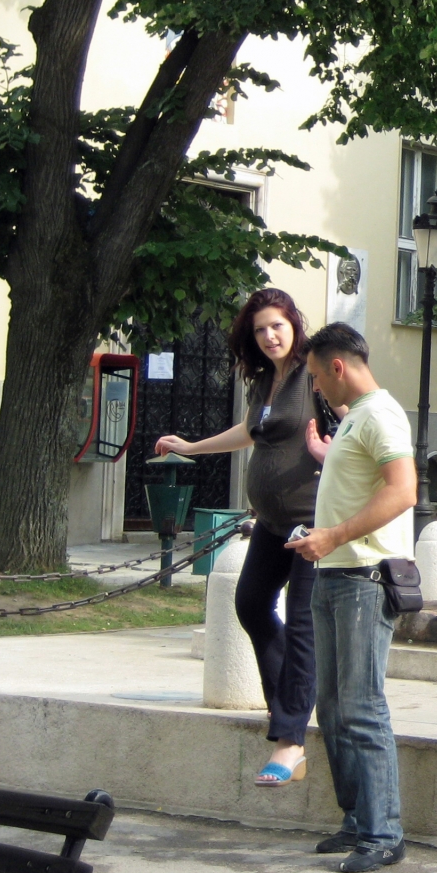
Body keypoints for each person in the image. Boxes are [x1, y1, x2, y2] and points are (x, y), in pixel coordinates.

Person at [155, 288, 331, 787]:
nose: (270, 335)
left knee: (301, 626)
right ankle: (288, 716)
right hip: (272, 523)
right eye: (260, 329)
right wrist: (193, 447)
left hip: (312, 523)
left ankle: (291, 740)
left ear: (294, 323)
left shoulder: (312, 373)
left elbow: (350, 426)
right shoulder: (264, 381)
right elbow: (253, 431)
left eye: (277, 325)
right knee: (251, 604)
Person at [288, 322, 417, 873]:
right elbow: (360, 482)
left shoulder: (381, 414)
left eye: (317, 376)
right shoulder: (354, 420)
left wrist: (335, 536)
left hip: (364, 579)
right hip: (336, 575)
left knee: (361, 708)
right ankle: (358, 820)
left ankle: (384, 834)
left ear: (337, 367)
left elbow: (403, 490)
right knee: (334, 706)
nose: (317, 387)